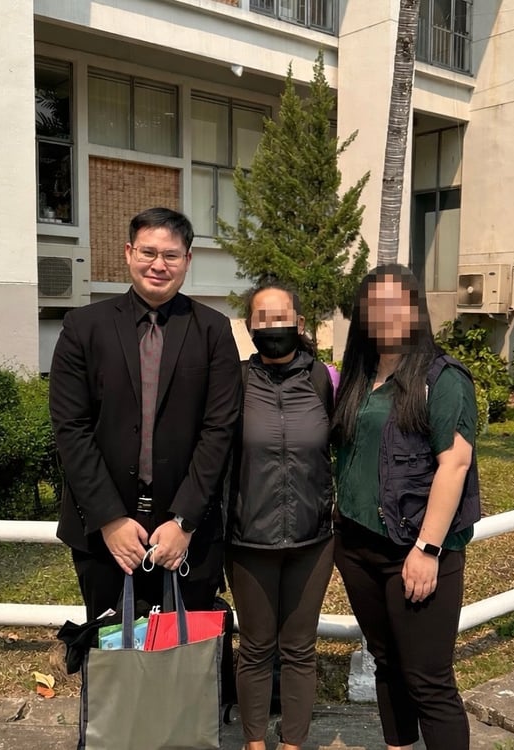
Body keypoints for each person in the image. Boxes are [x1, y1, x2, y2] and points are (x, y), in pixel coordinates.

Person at [50, 206, 242, 621]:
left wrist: (184, 521)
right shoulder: (83, 327)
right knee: (113, 649)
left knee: (184, 649)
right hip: (106, 531)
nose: (159, 265)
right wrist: (109, 519)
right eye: (148, 252)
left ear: (187, 260)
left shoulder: (213, 330)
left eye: (171, 255)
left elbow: (219, 430)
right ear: (128, 253)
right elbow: (71, 429)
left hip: (188, 531)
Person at [332, 264, 481, 750]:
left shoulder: (442, 378)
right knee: (387, 664)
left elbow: (455, 464)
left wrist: (428, 549)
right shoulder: (360, 374)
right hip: (357, 546)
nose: (386, 315)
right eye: (375, 306)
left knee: (429, 681)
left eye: (398, 304)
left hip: (414, 550)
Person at [226, 283, 335, 750]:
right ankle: (253, 742)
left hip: (313, 540)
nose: (273, 327)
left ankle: (293, 744)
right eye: (263, 318)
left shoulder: (323, 380)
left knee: (299, 649)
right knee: (254, 647)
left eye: (281, 317)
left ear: (300, 323)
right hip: (249, 539)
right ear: (250, 326)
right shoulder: (234, 382)